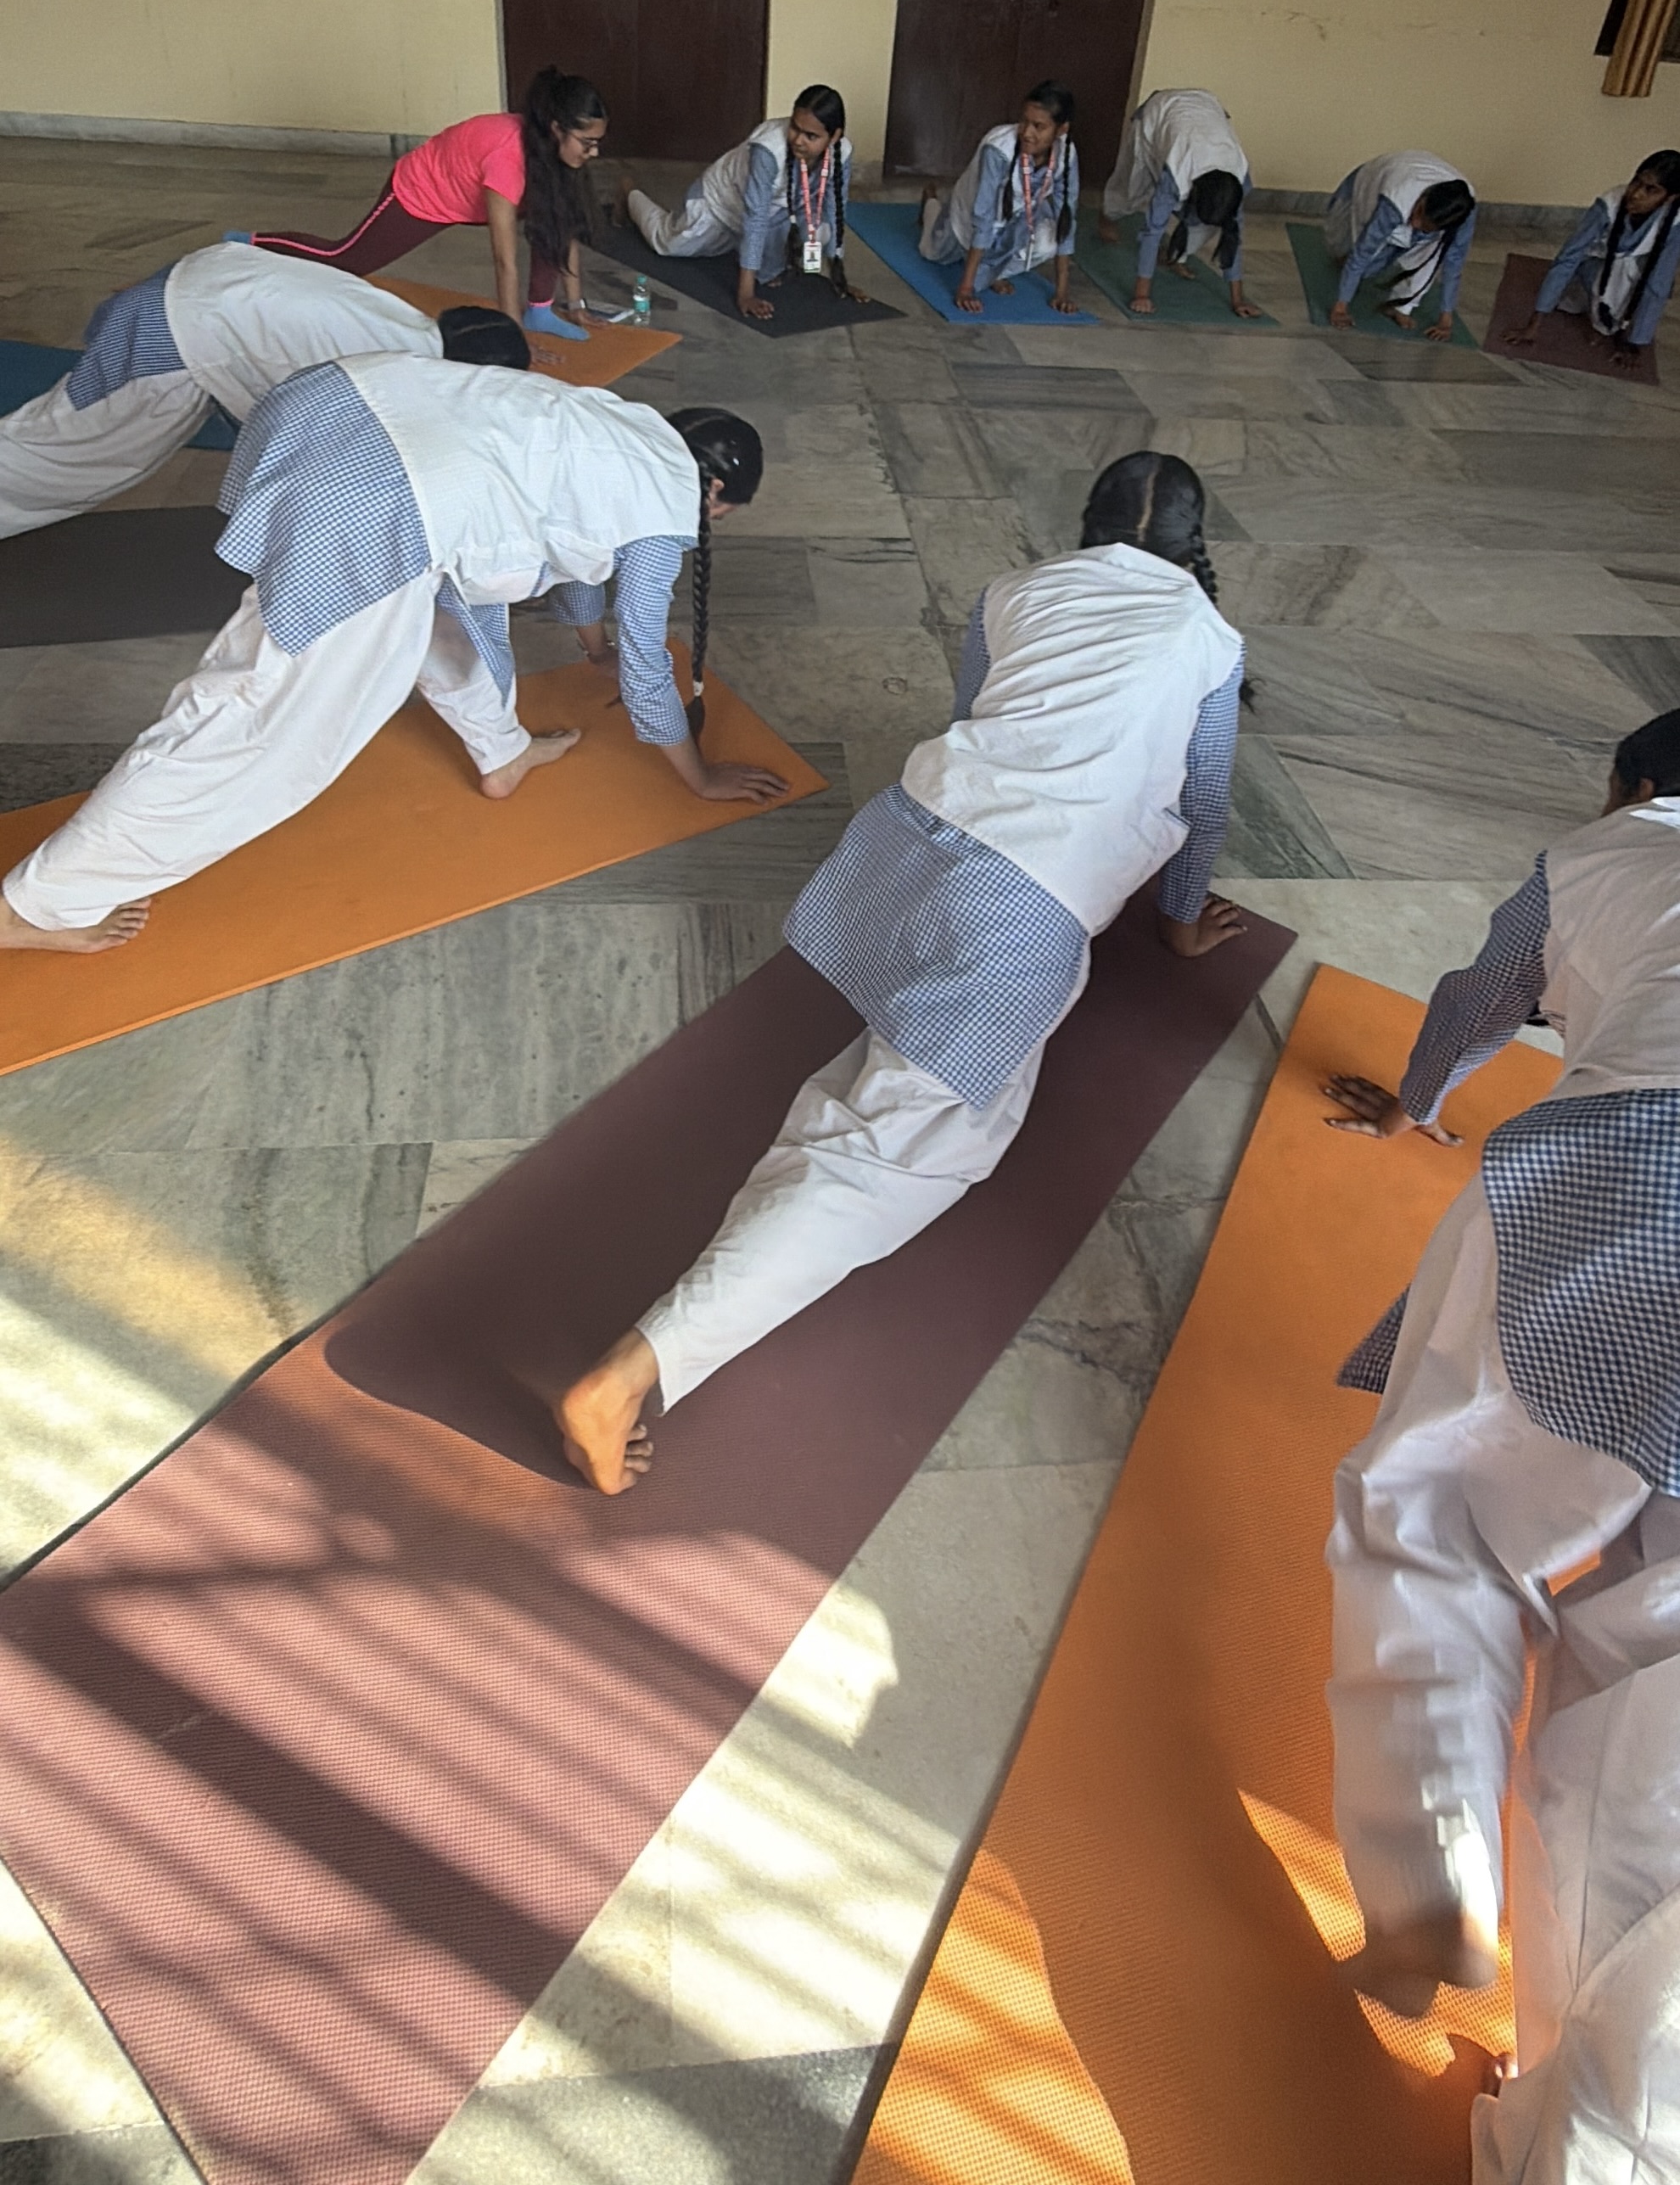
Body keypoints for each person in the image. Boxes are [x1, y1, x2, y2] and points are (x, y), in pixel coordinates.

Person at [557, 449, 1249, 1495]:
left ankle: (786, 1200)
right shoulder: (1210, 638)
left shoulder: (1016, 590)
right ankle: (627, 1374)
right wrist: (1182, 922)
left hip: (907, 841)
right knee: (909, 1156)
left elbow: (977, 705)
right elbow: (1203, 800)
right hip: (1014, 904)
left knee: (869, 1104)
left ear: (1088, 522)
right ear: (1195, 544)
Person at [1319, 709, 1680, 2180]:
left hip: (1628, 1180)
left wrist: (1416, 1109)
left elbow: (1481, 1000)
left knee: (1443, 1517)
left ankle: (1430, 1878)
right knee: (1655, 1690)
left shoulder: (1601, 852)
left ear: (1634, 785)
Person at [0, 372, 784, 955]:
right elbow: (648, 653)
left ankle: (502, 755)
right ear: (711, 485)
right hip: (376, 496)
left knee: (444, 620)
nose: (708, 523)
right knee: (263, 727)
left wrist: (593, 649)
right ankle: (34, 908)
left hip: (339, 412)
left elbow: (586, 568)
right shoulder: (665, 498)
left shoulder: (629, 430)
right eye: (719, 513)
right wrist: (700, 775)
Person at [0, 247, 515, 539]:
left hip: (195, 281)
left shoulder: (408, 323)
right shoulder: (398, 367)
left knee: (59, 432)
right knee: (72, 455)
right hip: (178, 328)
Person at [241, 70, 608, 341]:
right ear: (558, 129)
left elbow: (564, 232)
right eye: (586, 142)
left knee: (556, 217)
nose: (593, 153)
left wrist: (575, 306)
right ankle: (252, 243)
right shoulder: (507, 159)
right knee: (347, 259)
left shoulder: (554, 155)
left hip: (473, 192)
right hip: (425, 191)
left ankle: (540, 312)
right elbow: (504, 260)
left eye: (596, 143)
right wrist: (511, 338)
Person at [621, 88, 865, 326]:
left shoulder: (841, 153)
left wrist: (839, 278)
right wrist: (745, 295)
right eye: (795, 128)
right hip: (721, 202)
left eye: (811, 136)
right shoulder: (769, 148)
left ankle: (742, 245)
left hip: (777, 212)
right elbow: (755, 216)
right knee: (667, 244)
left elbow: (835, 210)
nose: (798, 141)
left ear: (834, 137)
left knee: (779, 265)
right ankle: (630, 192)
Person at [1503, 151, 1680, 373]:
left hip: (1631, 273)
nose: (1636, 194)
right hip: (1593, 266)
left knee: (1642, 282)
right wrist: (1533, 326)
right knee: (1609, 284)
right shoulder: (1608, 204)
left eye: (1651, 190)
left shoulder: (1676, 222)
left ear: (1671, 198)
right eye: (1636, 182)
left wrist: (1635, 345)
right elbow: (1568, 258)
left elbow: (1658, 285)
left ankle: (1608, 316)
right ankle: (1595, 306)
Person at [1097, 87, 1259, 321]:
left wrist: (1238, 300)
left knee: (1211, 220)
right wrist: (1142, 295)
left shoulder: (1238, 180)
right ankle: (1107, 214)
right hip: (1159, 114)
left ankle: (1174, 255)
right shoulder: (1176, 173)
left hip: (1205, 109)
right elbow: (1152, 231)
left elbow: (1234, 235)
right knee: (1132, 189)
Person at [918, 85, 1079, 316]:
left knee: (1048, 242)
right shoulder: (998, 149)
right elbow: (983, 217)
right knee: (932, 253)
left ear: (1062, 129)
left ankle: (996, 272)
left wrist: (1062, 292)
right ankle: (931, 203)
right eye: (1025, 121)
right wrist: (967, 288)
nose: (1027, 133)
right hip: (973, 211)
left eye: (1039, 126)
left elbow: (1067, 214)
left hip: (1019, 216)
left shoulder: (1067, 154)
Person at [1324, 153, 1476, 339]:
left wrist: (1446, 319)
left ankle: (1401, 308)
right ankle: (1351, 266)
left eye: (1427, 226)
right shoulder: (1397, 198)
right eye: (1418, 213)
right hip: (1380, 176)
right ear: (1423, 197)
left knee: (1430, 255)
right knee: (1365, 262)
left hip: (1422, 193)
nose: (1416, 224)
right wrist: (1341, 307)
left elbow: (1454, 263)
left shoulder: (1463, 214)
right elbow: (1364, 250)